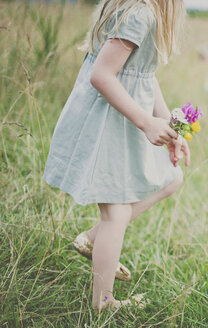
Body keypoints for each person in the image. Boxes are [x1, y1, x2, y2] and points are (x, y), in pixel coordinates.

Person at [43, 0, 189, 310]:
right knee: (116, 212)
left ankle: (94, 238)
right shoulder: (140, 14)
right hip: (108, 123)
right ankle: (103, 301)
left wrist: (170, 127)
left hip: (123, 120)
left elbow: (143, 74)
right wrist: (146, 122)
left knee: (172, 176)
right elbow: (102, 75)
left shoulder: (146, 14)